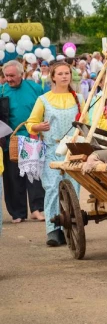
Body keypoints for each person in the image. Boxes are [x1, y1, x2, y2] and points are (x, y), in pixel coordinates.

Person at [25, 62, 83, 246]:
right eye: (60, 73)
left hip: (72, 151)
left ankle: (72, 224)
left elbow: (85, 123)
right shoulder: (43, 99)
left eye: (67, 73)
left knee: (73, 188)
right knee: (51, 188)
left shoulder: (79, 98)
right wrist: (38, 126)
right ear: (53, 77)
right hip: (51, 150)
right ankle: (52, 230)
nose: (64, 76)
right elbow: (30, 123)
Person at [1, 60, 45, 224]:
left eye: (12, 75)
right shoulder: (2, 90)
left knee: (34, 175)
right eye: (6, 76)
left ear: (21, 74)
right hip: (10, 140)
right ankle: (17, 212)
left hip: (31, 137)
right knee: (13, 178)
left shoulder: (34, 88)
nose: (9, 79)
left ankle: (37, 209)